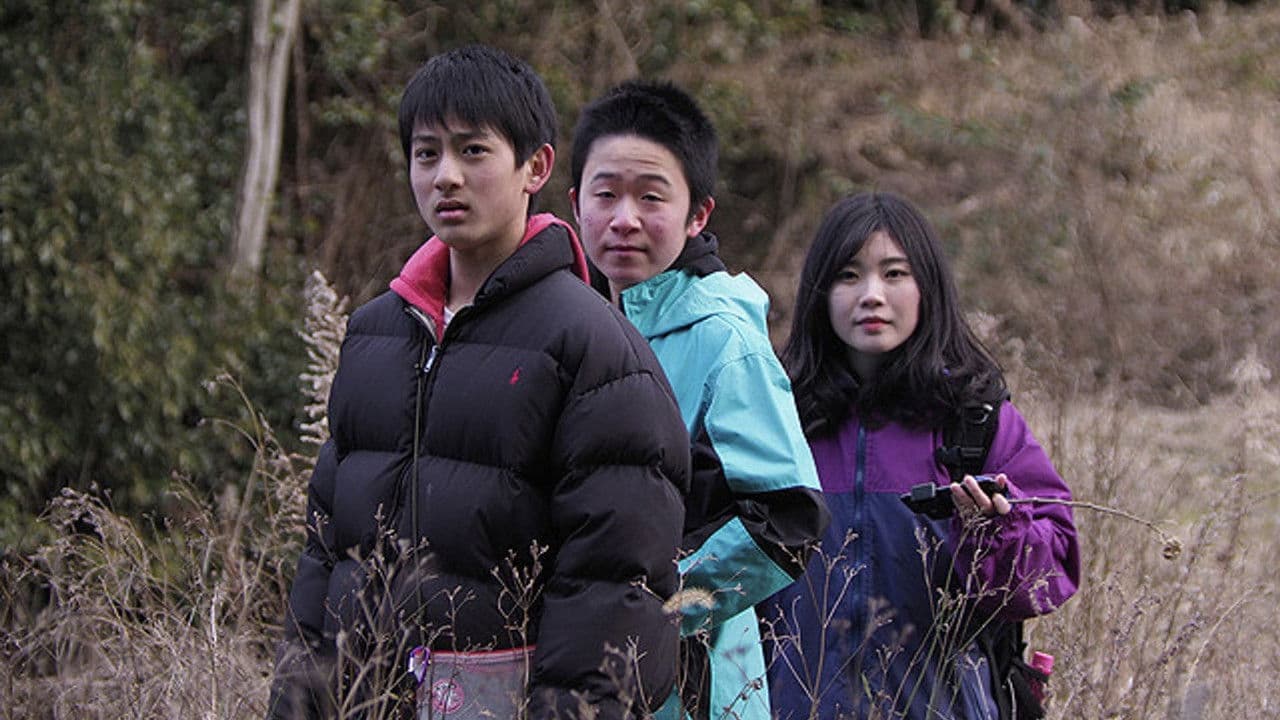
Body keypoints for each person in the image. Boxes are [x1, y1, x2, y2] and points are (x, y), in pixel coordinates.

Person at [266, 46, 690, 720]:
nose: (446, 177)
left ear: (535, 167)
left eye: (473, 151)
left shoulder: (592, 347)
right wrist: (297, 701)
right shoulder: (376, 335)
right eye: (426, 153)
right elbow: (326, 552)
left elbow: (615, 586)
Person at [760, 191, 1081, 719]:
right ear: (819, 293)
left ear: (927, 287)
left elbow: (1050, 577)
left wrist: (994, 535)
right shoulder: (776, 417)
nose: (871, 295)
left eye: (894, 274)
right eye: (848, 275)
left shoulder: (974, 421)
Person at [568, 80, 830, 720]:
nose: (624, 218)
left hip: (693, 687)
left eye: (651, 196)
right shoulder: (571, 325)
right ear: (575, 203)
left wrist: (660, 611)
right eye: (606, 194)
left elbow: (788, 519)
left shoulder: (724, 338)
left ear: (697, 215)